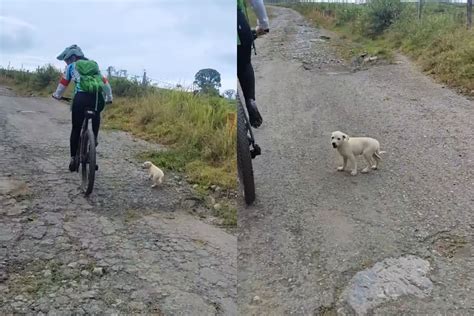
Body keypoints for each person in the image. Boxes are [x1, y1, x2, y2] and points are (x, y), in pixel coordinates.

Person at [52, 45, 113, 172]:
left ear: (73, 57)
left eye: (67, 60)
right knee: (96, 116)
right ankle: (93, 148)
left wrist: (57, 95)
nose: (66, 63)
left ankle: (73, 158)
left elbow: (63, 83)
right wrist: (109, 98)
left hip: (80, 99)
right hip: (96, 99)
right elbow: (105, 82)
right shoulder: (94, 66)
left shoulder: (71, 67)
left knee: (76, 128)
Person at [237, 0, 269, 128]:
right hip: (237, 25)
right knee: (244, 65)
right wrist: (264, 24)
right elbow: (256, 2)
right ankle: (250, 101)